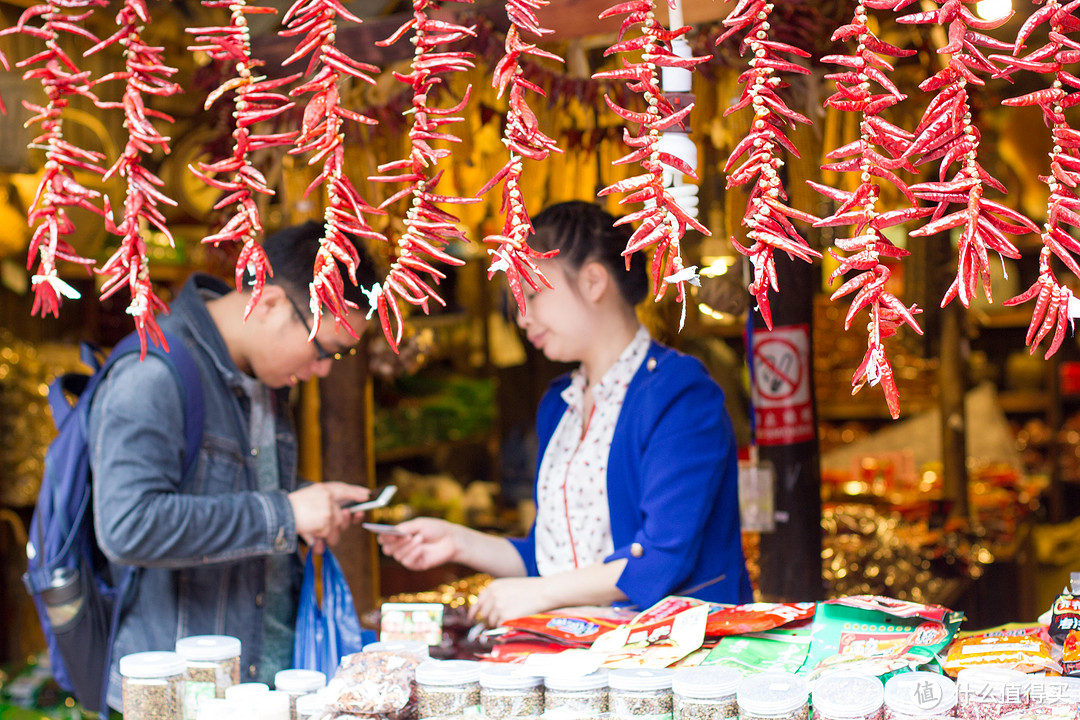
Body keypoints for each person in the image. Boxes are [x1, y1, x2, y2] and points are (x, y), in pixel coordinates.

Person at [379, 201, 753, 626]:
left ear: (594, 281)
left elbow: (661, 559)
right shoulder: (560, 405)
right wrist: (456, 542)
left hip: (671, 664)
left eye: (533, 294)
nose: (523, 317)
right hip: (579, 664)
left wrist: (542, 593)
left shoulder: (680, 393)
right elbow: (552, 559)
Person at [89, 221, 376, 709]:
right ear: (269, 305)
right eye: (324, 349)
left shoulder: (264, 375)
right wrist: (285, 514)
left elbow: (227, 487)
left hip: (257, 686)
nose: (325, 368)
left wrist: (310, 502)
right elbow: (126, 526)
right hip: (182, 698)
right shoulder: (152, 373)